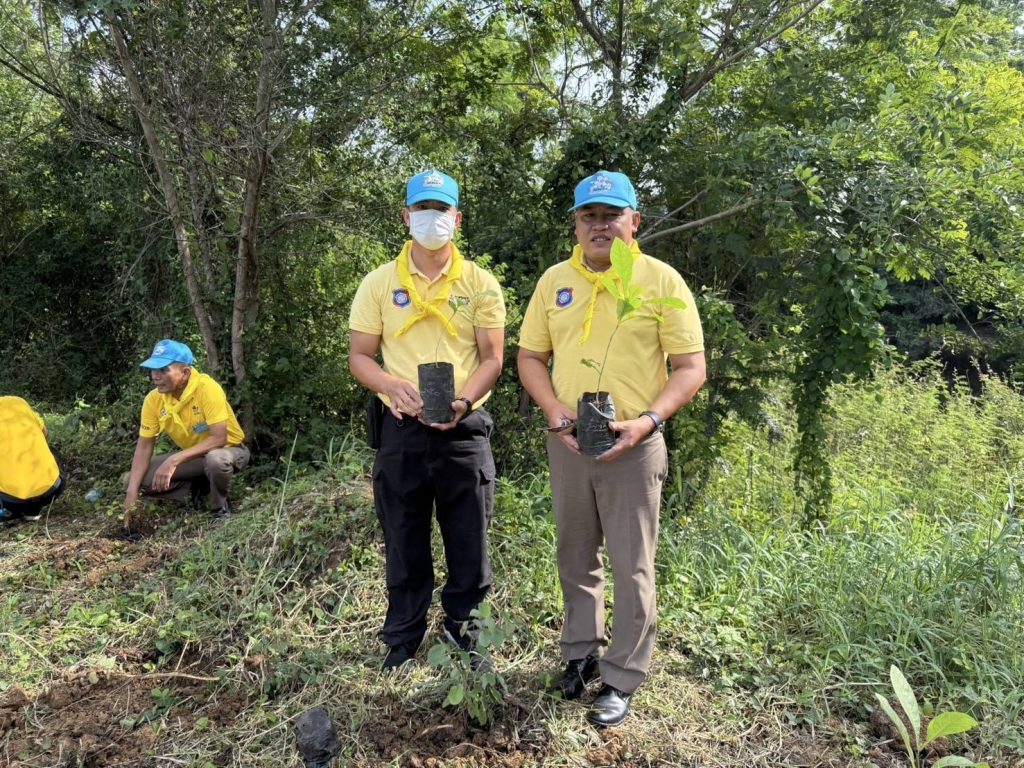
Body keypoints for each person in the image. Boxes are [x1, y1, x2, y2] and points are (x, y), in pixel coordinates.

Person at [517, 170, 706, 726]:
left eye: (611, 215)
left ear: (635, 222)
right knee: (576, 554)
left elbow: (690, 368)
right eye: (589, 217)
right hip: (569, 443)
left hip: (634, 446)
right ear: (576, 225)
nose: (599, 226)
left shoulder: (660, 281)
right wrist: (554, 412)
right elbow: (530, 357)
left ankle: (622, 675)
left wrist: (648, 421)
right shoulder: (555, 281)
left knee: (632, 563)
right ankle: (580, 653)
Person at [348, 169, 506, 670]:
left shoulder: (479, 283)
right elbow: (360, 356)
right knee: (403, 537)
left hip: (463, 430)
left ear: (457, 219)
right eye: (422, 208)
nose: (430, 218)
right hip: (401, 429)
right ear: (406, 216)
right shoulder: (379, 283)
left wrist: (465, 400)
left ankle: (467, 633)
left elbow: (492, 359)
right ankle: (402, 637)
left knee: (469, 540)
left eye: (441, 209)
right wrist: (388, 385)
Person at [123, 339, 250, 527]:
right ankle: (197, 487)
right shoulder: (153, 400)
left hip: (229, 450)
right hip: (194, 457)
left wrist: (173, 460)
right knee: (132, 480)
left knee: (215, 460)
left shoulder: (207, 388)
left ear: (185, 372)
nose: (155, 376)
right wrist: (132, 493)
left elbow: (219, 438)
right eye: (153, 370)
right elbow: (144, 446)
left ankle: (220, 508)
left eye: (163, 370)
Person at [0, 396, 64, 522]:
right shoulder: (17, 402)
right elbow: (45, 433)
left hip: (11, 501)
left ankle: (14, 510)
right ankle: (32, 510)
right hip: (52, 490)